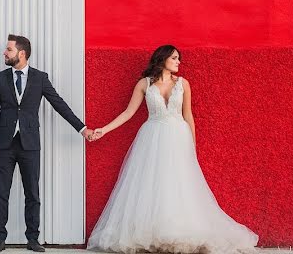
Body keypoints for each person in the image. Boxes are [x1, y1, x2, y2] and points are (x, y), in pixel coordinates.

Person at [87, 45, 259, 253]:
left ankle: (179, 229)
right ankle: (153, 232)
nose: (178, 62)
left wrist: (192, 148)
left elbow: (189, 116)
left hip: (178, 138)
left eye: (179, 58)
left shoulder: (183, 84)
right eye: (175, 58)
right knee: (153, 183)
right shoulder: (144, 84)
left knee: (179, 183)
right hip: (152, 138)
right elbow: (128, 113)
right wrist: (103, 130)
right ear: (163, 59)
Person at [0, 34, 95, 252]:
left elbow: (59, 104)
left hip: (30, 145)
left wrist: (82, 128)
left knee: (32, 194)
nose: (4, 53)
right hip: (3, 145)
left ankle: (33, 238)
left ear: (21, 53)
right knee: (1, 194)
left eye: (8, 49)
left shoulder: (40, 78)